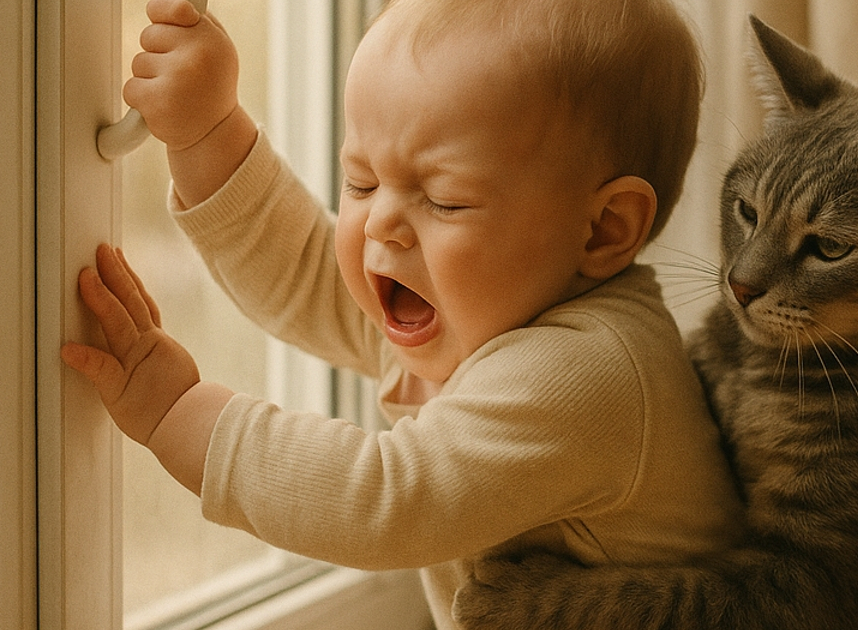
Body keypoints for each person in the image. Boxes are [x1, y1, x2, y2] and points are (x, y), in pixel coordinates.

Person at [62, 0, 744, 627]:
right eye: (360, 181)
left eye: (445, 199)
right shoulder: (492, 301)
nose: (382, 223)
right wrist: (207, 131)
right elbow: (307, 274)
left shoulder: (588, 372)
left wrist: (176, 410)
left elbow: (388, 499)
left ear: (602, 230)